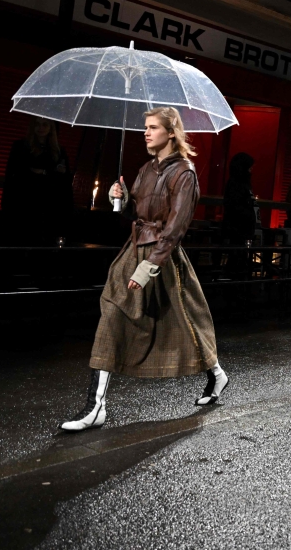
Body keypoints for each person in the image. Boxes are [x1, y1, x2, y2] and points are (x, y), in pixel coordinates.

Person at [61, 107, 227, 432]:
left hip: (161, 259)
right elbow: (133, 219)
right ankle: (96, 408)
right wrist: (117, 202)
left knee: (182, 321)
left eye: (153, 127)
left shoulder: (184, 174)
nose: (147, 133)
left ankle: (216, 374)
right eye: (145, 127)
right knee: (112, 314)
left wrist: (149, 268)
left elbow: (176, 230)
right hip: (134, 251)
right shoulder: (144, 170)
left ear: (170, 132)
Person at [0, 118, 73, 245]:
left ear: (51, 128)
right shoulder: (21, 147)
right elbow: (13, 174)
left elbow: (64, 180)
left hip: (49, 205)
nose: (41, 128)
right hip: (25, 203)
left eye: (45, 125)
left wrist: (43, 172)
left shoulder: (58, 151)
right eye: (37, 125)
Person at [223, 152, 260, 244]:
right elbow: (236, 206)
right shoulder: (237, 184)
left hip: (243, 229)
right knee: (238, 254)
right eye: (249, 168)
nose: (251, 170)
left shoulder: (240, 183)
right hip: (239, 229)